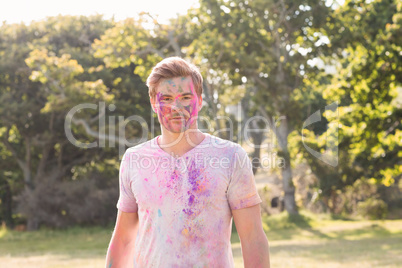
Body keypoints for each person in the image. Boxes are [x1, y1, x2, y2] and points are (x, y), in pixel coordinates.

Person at [105, 57, 270, 267]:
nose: (176, 106)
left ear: (199, 101)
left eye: (185, 97)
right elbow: (124, 240)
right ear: (154, 103)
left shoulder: (230, 156)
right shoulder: (134, 159)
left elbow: (253, 238)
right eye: (166, 98)